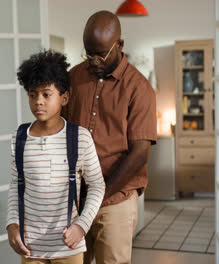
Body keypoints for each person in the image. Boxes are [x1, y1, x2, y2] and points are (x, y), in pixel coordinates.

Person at [62, 11, 157, 264]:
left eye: (100, 54)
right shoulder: (73, 78)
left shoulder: (139, 88)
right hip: (75, 198)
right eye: (88, 53)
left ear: (120, 45)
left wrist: (99, 196)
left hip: (116, 199)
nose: (94, 61)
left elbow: (139, 154)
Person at [6, 50, 106, 264]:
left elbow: (97, 185)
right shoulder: (19, 138)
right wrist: (12, 224)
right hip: (30, 247)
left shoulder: (79, 138)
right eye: (32, 95)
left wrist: (81, 226)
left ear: (64, 97)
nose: (38, 102)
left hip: (68, 247)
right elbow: (16, 185)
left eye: (46, 94)